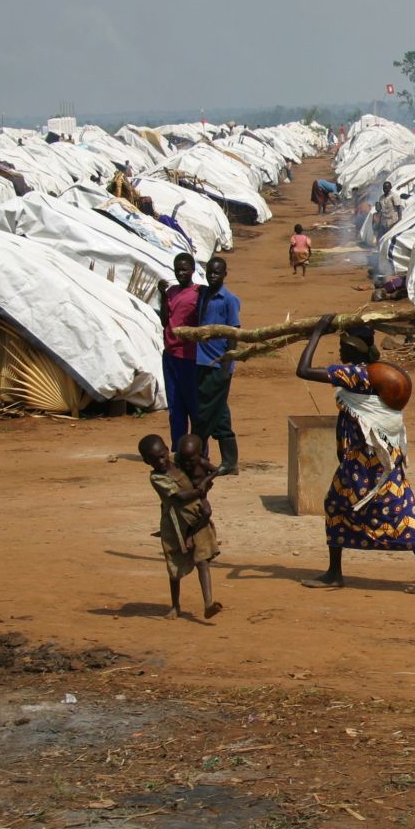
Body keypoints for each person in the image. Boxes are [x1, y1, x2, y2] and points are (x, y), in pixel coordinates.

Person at [296, 316, 415, 594]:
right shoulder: (373, 372)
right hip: (384, 455)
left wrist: (315, 334)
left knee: (339, 506)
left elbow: (303, 370)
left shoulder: (355, 375)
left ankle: (335, 573)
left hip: (364, 460)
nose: (339, 352)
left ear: (354, 349)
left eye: (342, 346)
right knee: (400, 507)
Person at [139, 433, 222, 620]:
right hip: (175, 522)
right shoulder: (157, 478)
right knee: (174, 566)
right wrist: (200, 489)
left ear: (167, 450)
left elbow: (203, 469)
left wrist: (204, 482)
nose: (161, 461)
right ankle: (175, 605)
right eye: (154, 460)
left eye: (162, 455)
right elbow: (179, 497)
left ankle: (208, 604)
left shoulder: (180, 461)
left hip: (195, 516)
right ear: (146, 462)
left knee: (202, 560)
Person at [193, 257, 242, 474]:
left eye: (217, 273)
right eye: (210, 272)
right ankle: (229, 462)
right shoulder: (203, 294)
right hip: (202, 362)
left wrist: (227, 365)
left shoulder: (229, 300)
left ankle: (197, 456)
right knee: (218, 410)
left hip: (218, 364)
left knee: (206, 411)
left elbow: (234, 334)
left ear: (225, 274)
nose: (212, 276)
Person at [157, 253, 200, 449]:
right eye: (178, 269)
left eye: (184, 269)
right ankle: (178, 447)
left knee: (194, 406)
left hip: (190, 357)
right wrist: (163, 296)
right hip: (171, 355)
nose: (181, 273)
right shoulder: (172, 292)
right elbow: (165, 321)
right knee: (175, 406)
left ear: (192, 270)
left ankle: (198, 450)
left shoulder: (198, 293)